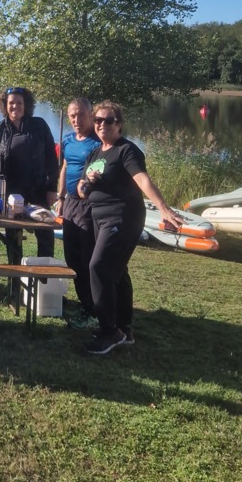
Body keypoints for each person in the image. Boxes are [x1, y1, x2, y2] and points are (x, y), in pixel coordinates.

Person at [78, 100, 180, 355]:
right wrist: (86, 183)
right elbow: (81, 190)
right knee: (118, 270)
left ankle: (109, 331)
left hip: (122, 217)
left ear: (119, 124)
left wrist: (164, 208)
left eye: (108, 120)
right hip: (99, 218)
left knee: (98, 267)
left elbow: (142, 179)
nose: (102, 125)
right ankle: (124, 328)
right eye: (98, 120)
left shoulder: (127, 151)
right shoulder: (95, 152)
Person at [0, 87, 59, 264]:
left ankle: (44, 284)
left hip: (38, 191)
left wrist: (51, 188)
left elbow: (51, 158)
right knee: (13, 241)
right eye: (11, 103)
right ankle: (15, 286)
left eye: (19, 103)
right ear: (5, 105)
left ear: (26, 105)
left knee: (45, 238)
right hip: (11, 195)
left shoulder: (39, 125)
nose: (15, 106)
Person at [57, 98, 101, 321]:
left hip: (88, 205)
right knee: (71, 257)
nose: (76, 119)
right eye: (72, 115)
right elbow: (64, 168)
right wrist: (60, 196)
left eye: (81, 115)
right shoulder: (67, 141)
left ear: (90, 114)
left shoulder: (97, 143)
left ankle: (94, 308)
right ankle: (85, 303)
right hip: (70, 204)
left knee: (87, 257)